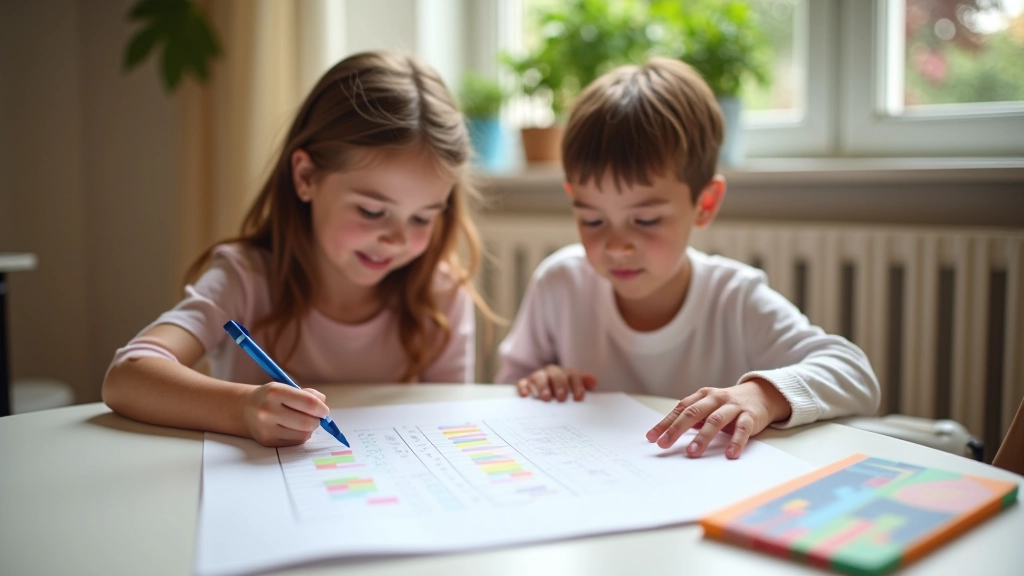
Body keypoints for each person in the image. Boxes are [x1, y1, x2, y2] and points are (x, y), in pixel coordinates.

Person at [496, 57, 880, 459]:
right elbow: (507, 387)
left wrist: (763, 394)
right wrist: (538, 382)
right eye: (592, 219)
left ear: (704, 204)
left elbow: (855, 374)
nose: (616, 245)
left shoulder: (735, 297)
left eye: (644, 219)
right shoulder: (559, 282)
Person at [103, 52, 491, 447]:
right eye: (373, 211)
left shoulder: (440, 294)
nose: (397, 239)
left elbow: (447, 418)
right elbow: (127, 377)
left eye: (423, 218)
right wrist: (241, 409)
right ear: (306, 177)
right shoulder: (245, 278)